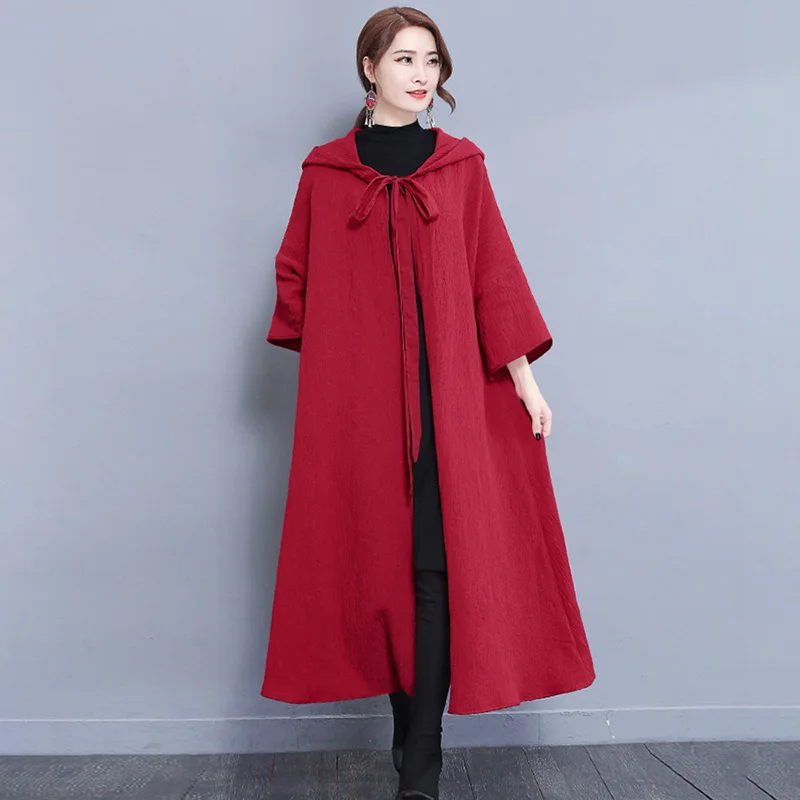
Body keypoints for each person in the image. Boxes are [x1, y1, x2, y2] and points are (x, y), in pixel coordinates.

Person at [261, 8, 596, 800]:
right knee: (380, 569)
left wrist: (525, 379)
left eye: (432, 61)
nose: (422, 74)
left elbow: (492, 274)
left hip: (453, 402)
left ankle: (422, 761)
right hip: (361, 410)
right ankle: (409, 729)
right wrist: (345, 368)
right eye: (406, 59)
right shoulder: (325, 174)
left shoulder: (461, 167)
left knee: (437, 570)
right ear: (369, 67)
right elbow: (297, 282)